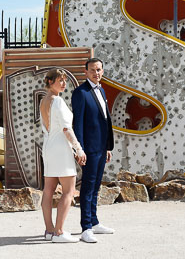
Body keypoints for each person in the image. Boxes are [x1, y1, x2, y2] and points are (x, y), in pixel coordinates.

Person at [39, 68, 86, 243]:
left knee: (48, 190)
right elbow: (66, 128)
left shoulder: (44, 101)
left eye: (65, 80)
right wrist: (78, 149)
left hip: (49, 146)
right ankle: (59, 232)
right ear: (50, 82)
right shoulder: (57, 101)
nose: (64, 83)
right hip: (60, 146)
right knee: (68, 190)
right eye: (60, 80)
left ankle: (49, 231)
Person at [72, 58, 115, 243]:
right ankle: (86, 227)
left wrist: (107, 146)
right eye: (92, 70)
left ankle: (95, 222)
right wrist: (79, 149)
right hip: (88, 149)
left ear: (102, 71)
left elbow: (105, 120)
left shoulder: (102, 90)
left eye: (98, 69)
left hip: (101, 147)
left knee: (96, 186)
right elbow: (78, 123)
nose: (96, 73)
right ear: (86, 72)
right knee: (88, 188)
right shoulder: (80, 93)